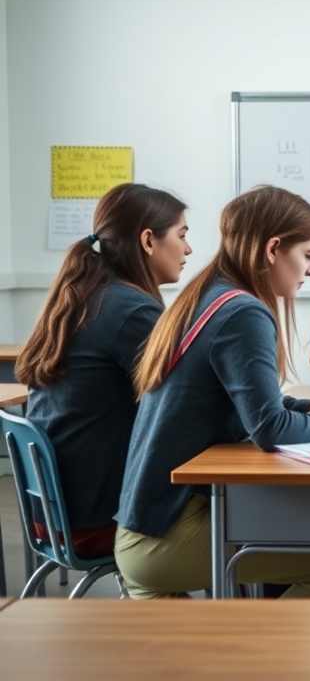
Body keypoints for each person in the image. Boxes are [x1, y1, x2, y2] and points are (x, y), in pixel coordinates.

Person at [115, 186, 310, 598]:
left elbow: (246, 404)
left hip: (146, 529)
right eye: (307, 255)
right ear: (273, 249)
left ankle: (262, 656)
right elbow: (269, 428)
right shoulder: (243, 312)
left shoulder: (210, 293)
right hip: (162, 542)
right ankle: (264, 663)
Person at [15, 183, 190, 558]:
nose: (188, 249)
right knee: (233, 518)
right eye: (182, 235)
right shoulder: (131, 310)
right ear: (148, 240)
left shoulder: (88, 294)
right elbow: (185, 399)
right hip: (96, 519)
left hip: (54, 512)